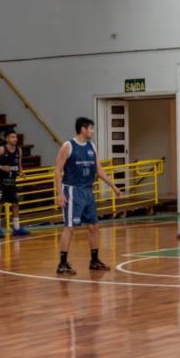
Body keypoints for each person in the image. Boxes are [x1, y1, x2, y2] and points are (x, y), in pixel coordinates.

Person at [54, 117, 122, 274]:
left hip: (88, 191)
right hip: (72, 190)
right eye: (91, 128)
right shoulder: (68, 146)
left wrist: (113, 186)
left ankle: (94, 261)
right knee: (69, 228)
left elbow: (98, 170)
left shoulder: (92, 146)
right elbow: (58, 170)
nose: (92, 131)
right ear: (83, 129)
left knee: (93, 226)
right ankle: (62, 263)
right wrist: (59, 193)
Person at [0, 129, 30, 238]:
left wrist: (21, 172)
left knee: (15, 203)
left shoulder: (18, 150)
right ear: (6, 138)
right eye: (12, 137)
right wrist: (2, 167)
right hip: (0, 182)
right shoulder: (2, 149)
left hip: (11, 182)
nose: (15, 139)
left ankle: (16, 228)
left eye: (15, 137)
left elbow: (19, 164)